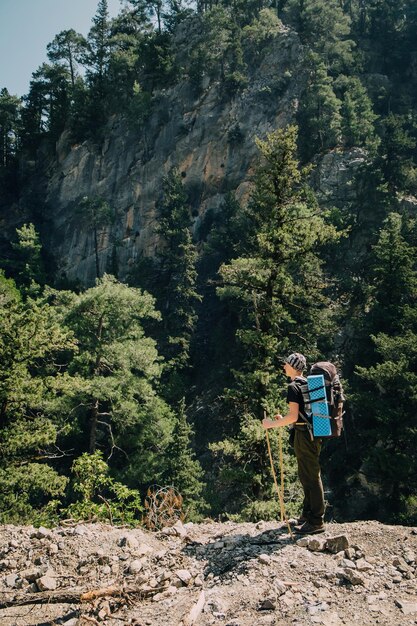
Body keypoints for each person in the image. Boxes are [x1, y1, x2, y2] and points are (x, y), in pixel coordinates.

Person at [262, 352, 325, 535]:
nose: (284, 367)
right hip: (312, 434)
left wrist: (271, 424)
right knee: (306, 474)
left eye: (286, 364)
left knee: (311, 476)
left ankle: (317, 521)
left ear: (293, 366)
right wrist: (284, 419)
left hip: (304, 436)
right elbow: (301, 415)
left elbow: (293, 416)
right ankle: (307, 516)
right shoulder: (307, 384)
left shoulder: (293, 386)